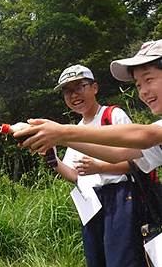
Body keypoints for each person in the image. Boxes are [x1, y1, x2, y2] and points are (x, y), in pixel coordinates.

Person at [37, 65, 148, 267]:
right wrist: (53, 160)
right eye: (67, 91)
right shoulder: (75, 130)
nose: (74, 95)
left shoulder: (113, 115)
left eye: (79, 87)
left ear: (94, 87)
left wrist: (101, 167)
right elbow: (76, 176)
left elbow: (138, 163)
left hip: (120, 198)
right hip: (91, 204)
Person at [14, 39, 162, 173]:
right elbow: (119, 154)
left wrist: (62, 132)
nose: (143, 92)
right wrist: (58, 139)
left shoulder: (113, 115)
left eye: (148, 79)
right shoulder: (78, 126)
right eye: (138, 85)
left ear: (95, 87)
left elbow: (147, 136)